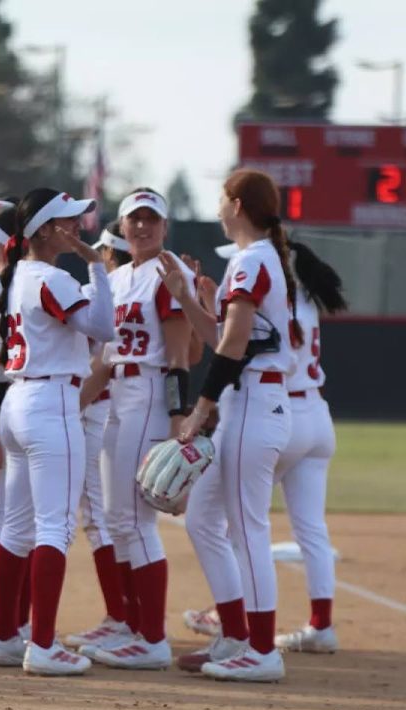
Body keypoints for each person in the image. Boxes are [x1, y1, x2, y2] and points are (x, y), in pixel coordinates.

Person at [162, 167, 300, 682]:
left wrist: (200, 410)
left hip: (254, 407)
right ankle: (237, 637)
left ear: (238, 205)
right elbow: (225, 336)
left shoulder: (252, 261)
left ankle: (262, 651)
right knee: (202, 518)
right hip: (249, 407)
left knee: (247, 531)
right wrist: (186, 298)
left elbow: (235, 346)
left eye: (222, 198)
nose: (218, 206)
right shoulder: (256, 261)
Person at [181, 240, 347, 656]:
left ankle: (232, 617)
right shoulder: (303, 299)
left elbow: (234, 340)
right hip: (317, 416)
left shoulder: (275, 298)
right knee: (310, 528)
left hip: (277, 413)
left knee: (239, 520)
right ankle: (321, 625)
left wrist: (201, 302)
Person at [0, 188, 115, 675]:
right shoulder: (52, 277)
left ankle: (5, 637)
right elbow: (104, 327)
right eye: (68, 221)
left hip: (19, 401)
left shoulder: (17, 276)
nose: (77, 227)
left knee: (17, 528)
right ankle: (43, 645)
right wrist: (97, 268)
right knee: (54, 526)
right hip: (51, 401)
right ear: (45, 230)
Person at [77, 189, 196, 672]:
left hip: (149, 393)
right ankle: (130, 625)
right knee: (115, 517)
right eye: (134, 219)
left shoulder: (168, 274)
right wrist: (72, 406)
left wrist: (175, 423)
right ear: (121, 226)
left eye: (151, 219)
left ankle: (153, 637)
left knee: (136, 520)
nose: (143, 227)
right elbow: (103, 361)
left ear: (165, 226)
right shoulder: (119, 276)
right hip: (117, 395)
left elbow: (177, 356)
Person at [62, 220, 132, 652]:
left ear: (108, 254)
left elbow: (99, 361)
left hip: (96, 407)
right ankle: (125, 614)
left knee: (101, 518)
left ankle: (121, 617)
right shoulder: (131, 285)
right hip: (118, 406)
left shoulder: (107, 289)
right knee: (114, 518)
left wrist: (72, 408)